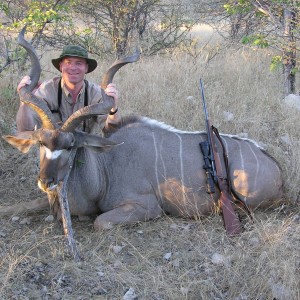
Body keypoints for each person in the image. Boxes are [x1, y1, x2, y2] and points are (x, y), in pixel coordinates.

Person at [16, 44, 120, 134]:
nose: (73, 67)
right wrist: (24, 101)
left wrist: (113, 108)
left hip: (81, 148)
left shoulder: (96, 93)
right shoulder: (47, 90)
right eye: (68, 62)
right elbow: (25, 130)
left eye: (78, 63)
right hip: (54, 149)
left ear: (86, 68)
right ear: (61, 66)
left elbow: (111, 131)